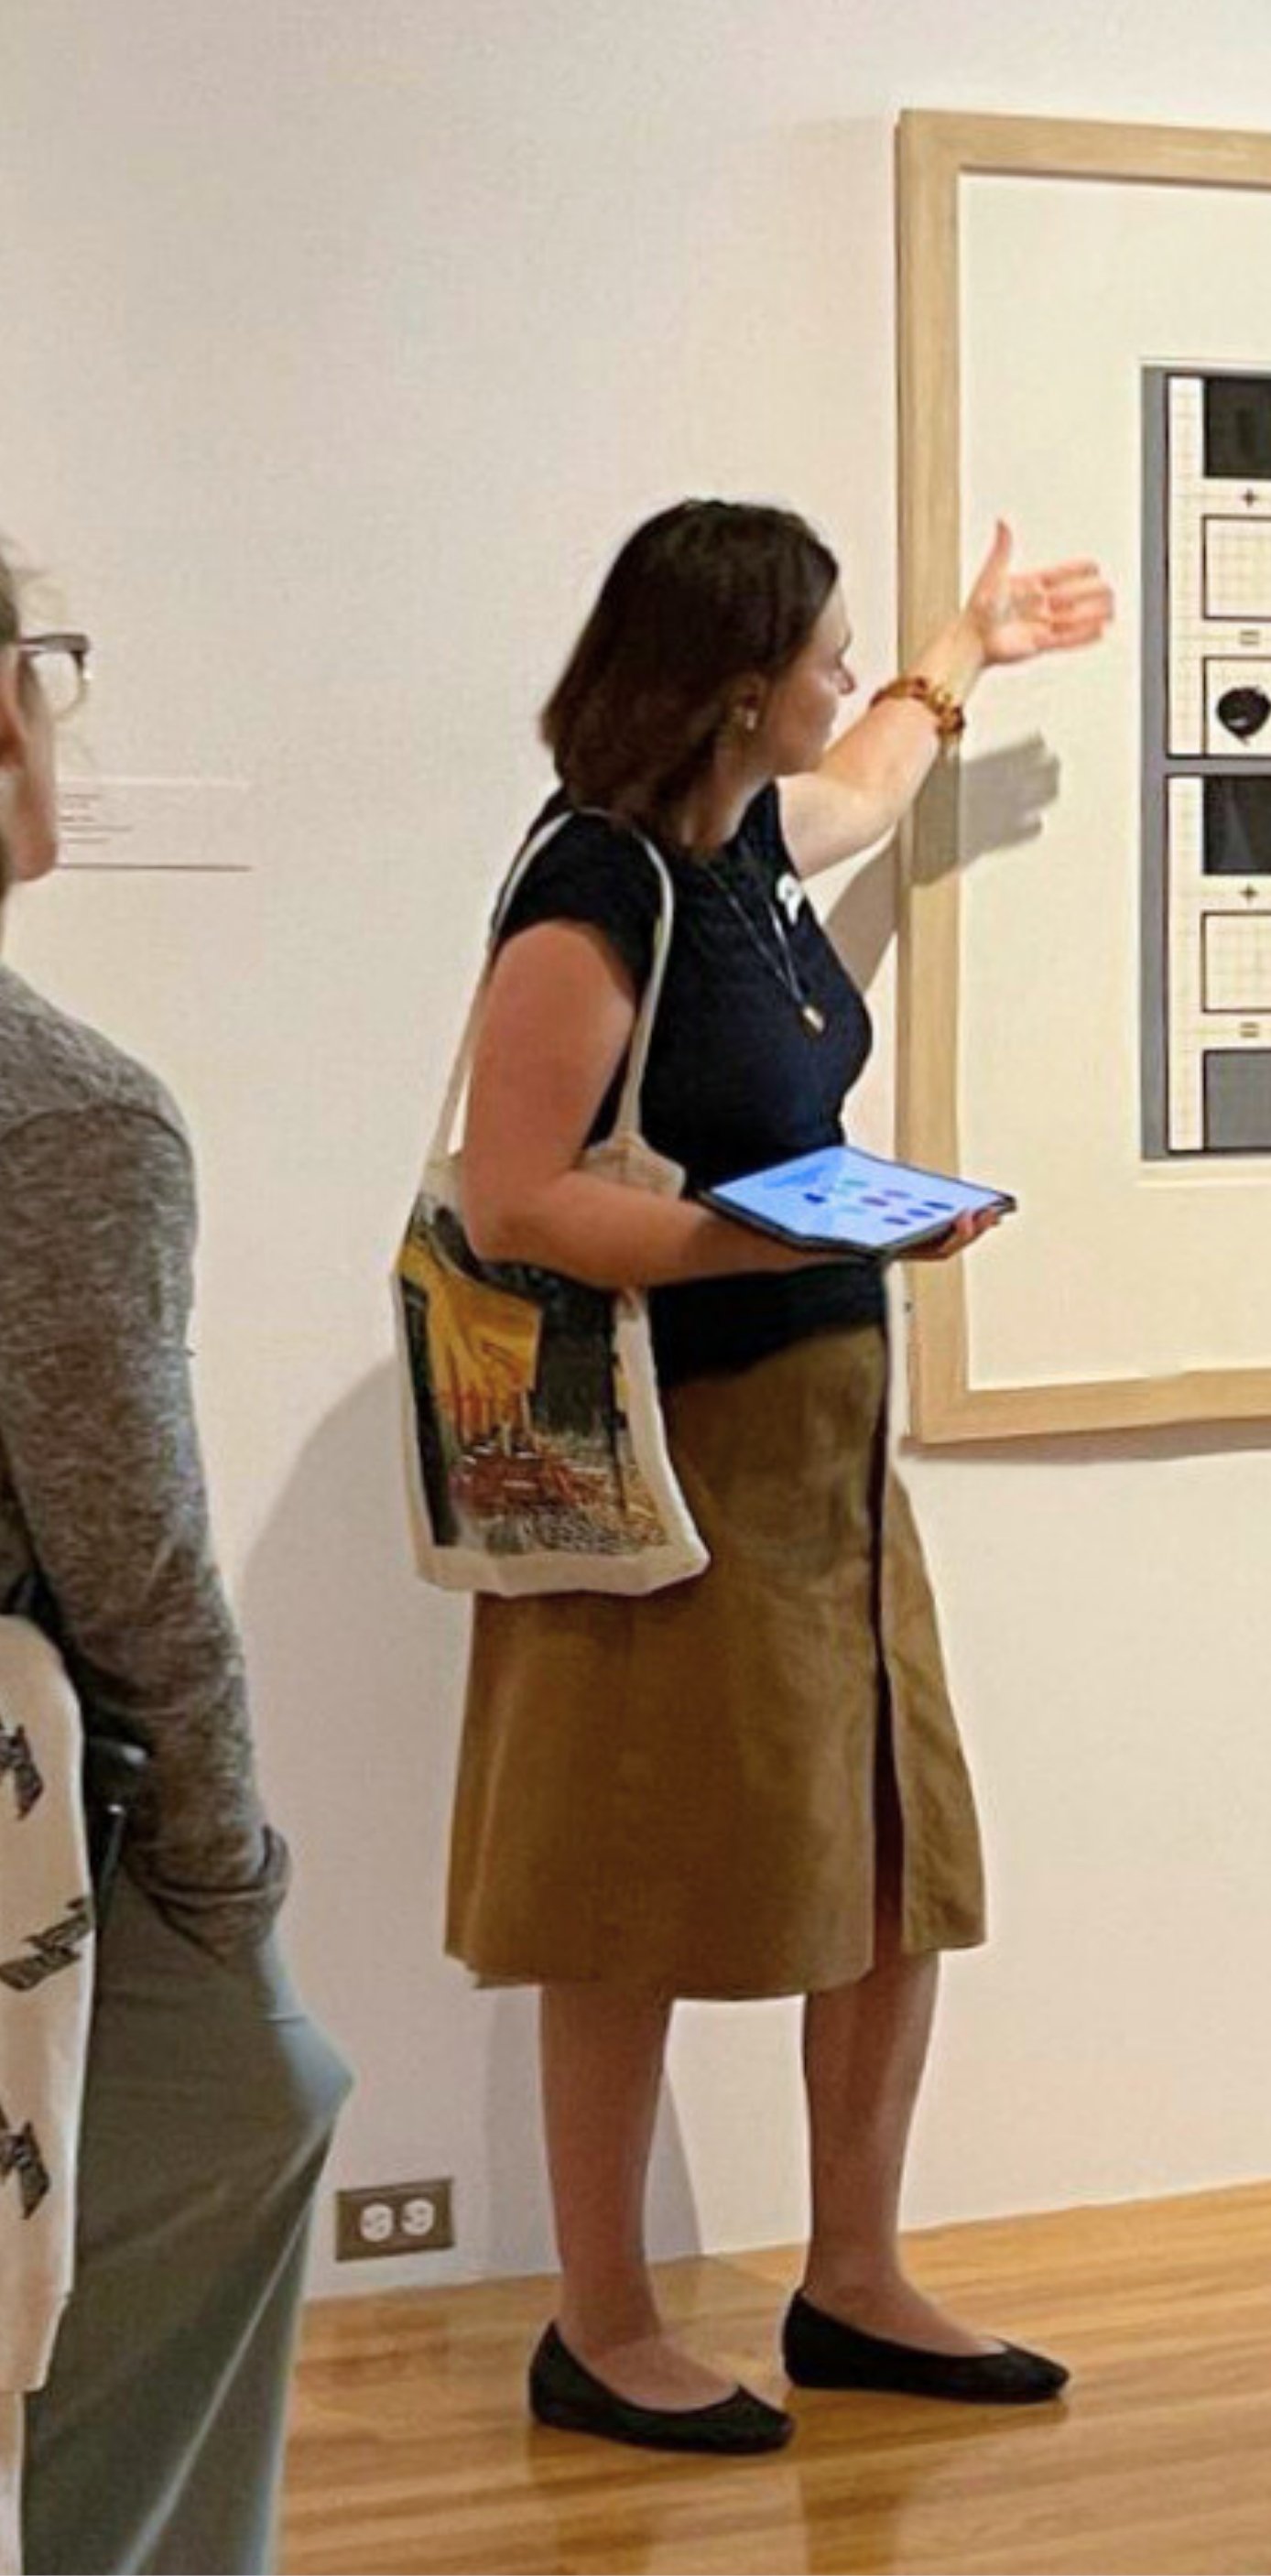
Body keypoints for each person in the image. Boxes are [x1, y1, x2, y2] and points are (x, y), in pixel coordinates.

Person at [446, 501, 1109, 2451]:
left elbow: (873, 779)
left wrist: (966, 649)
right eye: (824, 652)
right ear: (738, 687)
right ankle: (600, 2325)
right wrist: (777, 1239)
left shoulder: (741, 838)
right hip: (673, 1465)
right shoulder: (596, 885)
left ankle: (855, 2279)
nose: (844, 678)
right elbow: (515, 1195)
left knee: (892, 1865)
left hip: (828, 1461)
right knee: (624, 1887)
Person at [0, 551, 354, 2563]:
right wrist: (226, 1895)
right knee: (245, 2115)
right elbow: (135, 1573)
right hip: (35, 1870)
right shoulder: (60, 1122)